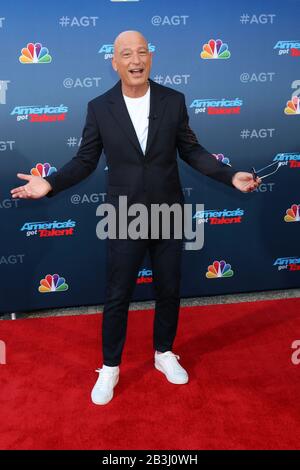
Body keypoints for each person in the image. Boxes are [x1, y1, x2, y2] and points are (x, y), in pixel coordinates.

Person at [11, 31, 261, 405]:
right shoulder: (100, 106)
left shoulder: (173, 101)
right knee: (117, 294)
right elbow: (84, 161)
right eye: (126, 54)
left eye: (141, 52)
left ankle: (163, 353)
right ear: (114, 62)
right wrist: (49, 183)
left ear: (150, 58)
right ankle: (110, 367)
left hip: (169, 211)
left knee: (169, 289)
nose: (135, 59)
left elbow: (191, 150)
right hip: (125, 213)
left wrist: (229, 174)